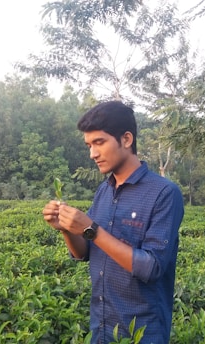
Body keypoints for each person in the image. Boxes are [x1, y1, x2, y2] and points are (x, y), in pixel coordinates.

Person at [42, 101, 184, 344]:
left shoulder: (164, 193)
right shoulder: (104, 191)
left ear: (126, 139)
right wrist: (67, 229)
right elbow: (85, 252)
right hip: (102, 326)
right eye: (89, 145)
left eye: (99, 142)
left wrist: (91, 230)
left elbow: (151, 268)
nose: (92, 153)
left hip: (142, 333)